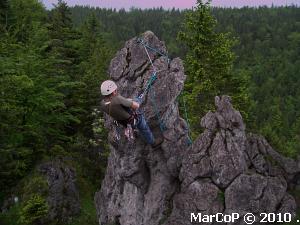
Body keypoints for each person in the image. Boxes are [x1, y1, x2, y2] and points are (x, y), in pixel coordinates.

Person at [100, 80, 163, 148]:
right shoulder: (118, 99)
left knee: (131, 104)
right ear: (113, 91)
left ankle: (134, 130)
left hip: (123, 122)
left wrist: (126, 101)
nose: (116, 90)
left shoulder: (102, 104)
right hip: (133, 120)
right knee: (144, 128)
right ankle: (153, 143)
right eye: (115, 89)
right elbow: (136, 106)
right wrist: (133, 101)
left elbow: (116, 106)